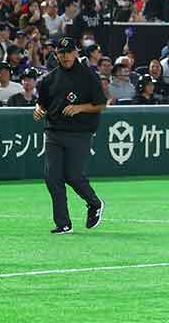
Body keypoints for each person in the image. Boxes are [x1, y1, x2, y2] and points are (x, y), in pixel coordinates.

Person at [33, 37, 106, 234]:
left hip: (79, 132)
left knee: (73, 175)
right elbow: (42, 103)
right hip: (54, 132)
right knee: (52, 177)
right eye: (61, 52)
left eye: (68, 52)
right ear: (56, 54)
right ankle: (63, 223)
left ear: (76, 53)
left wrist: (79, 107)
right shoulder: (49, 79)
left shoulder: (88, 76)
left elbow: (101, 104)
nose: (65, 56)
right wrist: (38, 109)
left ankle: (95, 203)